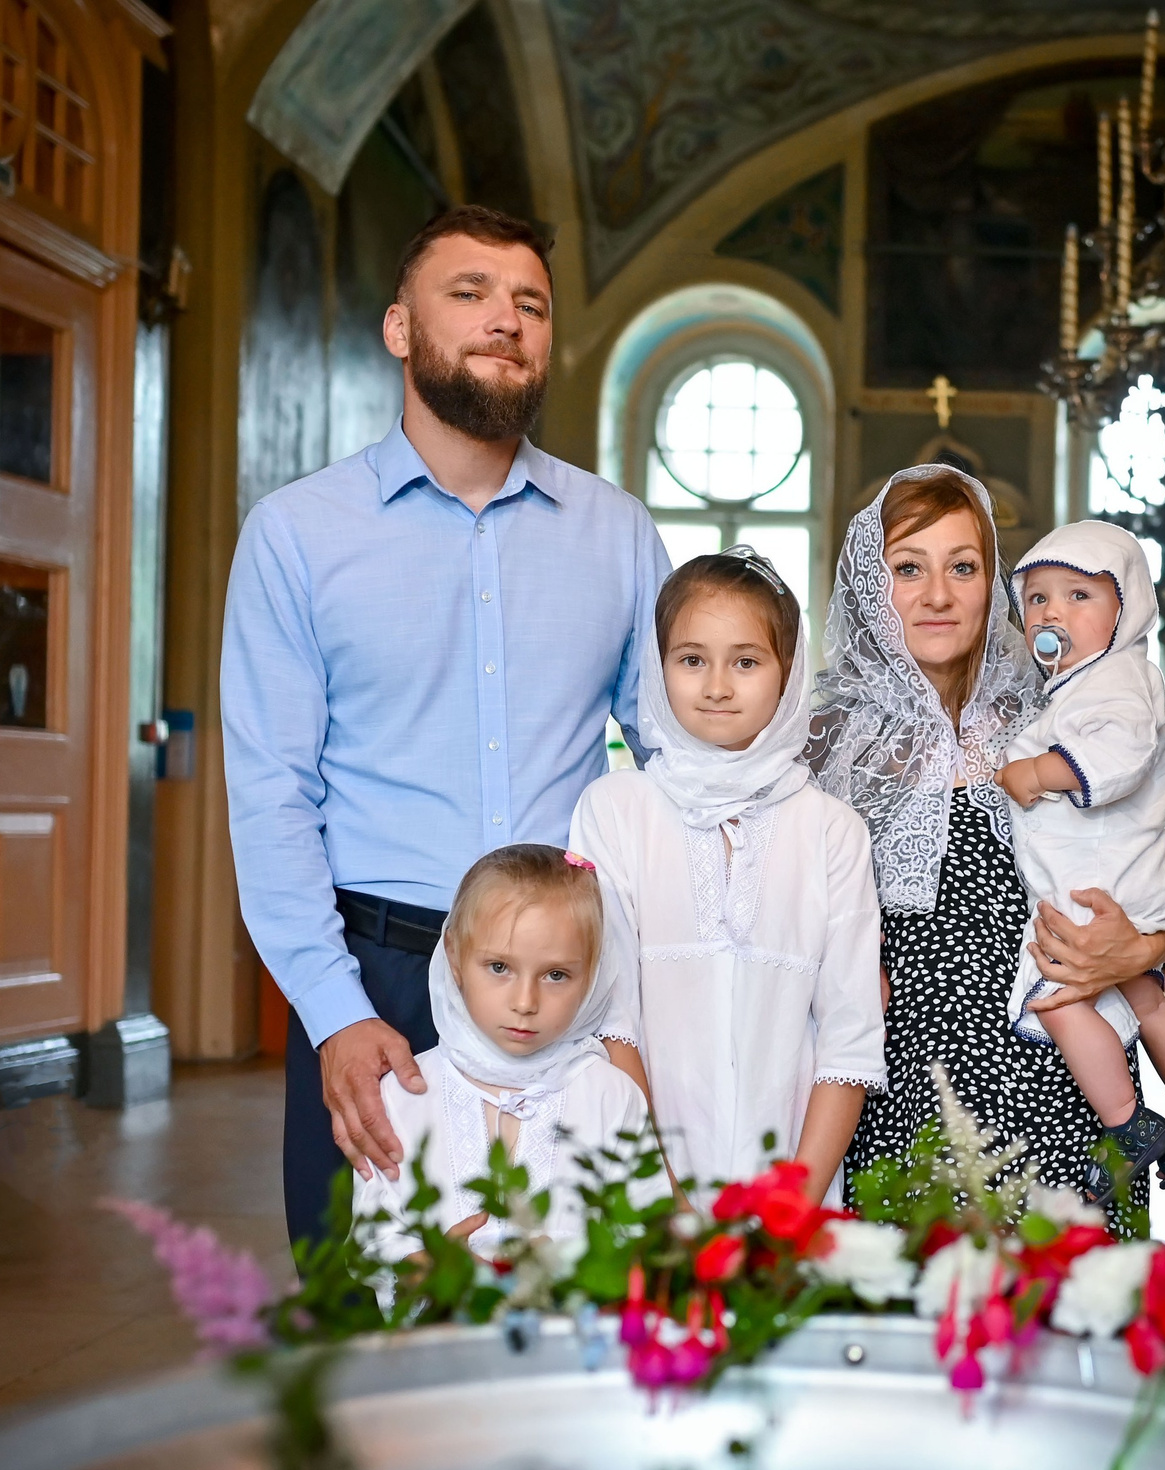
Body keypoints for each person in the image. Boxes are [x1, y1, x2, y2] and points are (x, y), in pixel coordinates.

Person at [223, 204, 671, 1253]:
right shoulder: (297, 535)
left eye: (529, 303)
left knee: (577, 1322)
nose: (504, 319)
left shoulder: (617, 534)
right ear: (398, 328)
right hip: (374, 981)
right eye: (468, 293)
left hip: (570, 983)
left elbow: (680, 761)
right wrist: (334, 1012)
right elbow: (272, 794)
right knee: (366, 1331)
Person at [805, 466, 1165, 1225]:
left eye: (964, 567)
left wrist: (1141, 950)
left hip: (1069, 1073)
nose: (938, 595)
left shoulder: (1059, 715)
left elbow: (1156, 872)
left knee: (1070, 1307)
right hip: (906, 1082)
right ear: (869, 586)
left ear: (996, 586)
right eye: (907, 569)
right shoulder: (822, 742)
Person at [573, 551, 883, 1198]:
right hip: (643, 1191)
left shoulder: (833, 830)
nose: (717, 685)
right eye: (691, 659)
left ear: (789, 673)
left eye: (746, 661)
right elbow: (609, 1018)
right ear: (658, 670)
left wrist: (792, 1211)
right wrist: (666, 1205)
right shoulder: (616, 809)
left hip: (792, 1193)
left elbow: (850, 1039)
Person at [996, 522, 1165, 1197]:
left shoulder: (1116, 682)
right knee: (1144, 998)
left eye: (1078, 594)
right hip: (1123, 883)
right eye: (1039, 598)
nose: (1052, 613)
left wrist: (1043, 771)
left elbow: (1119, 757)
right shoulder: (1084, 682)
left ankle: (1128, 1124)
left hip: (1105, 889)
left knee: (1057, 997)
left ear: (1127, 605)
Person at [352, 845, 646, 1265]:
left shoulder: (611, 1097)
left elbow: (644, 1232)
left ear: (593, 973)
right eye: (499, 967)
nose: (525, 1002)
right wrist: (433, 1268)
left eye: (556, 975)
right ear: (454, 956)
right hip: (441, 1327)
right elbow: (373, 1239)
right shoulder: (403, 1095)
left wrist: (572, 1263)